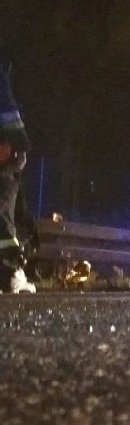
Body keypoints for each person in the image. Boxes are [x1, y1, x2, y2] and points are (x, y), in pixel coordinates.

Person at [0, 52, 35, 293]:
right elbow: (8, 110)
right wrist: (19, 144)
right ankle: (11, 273)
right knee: (5, 215)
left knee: (13, 214)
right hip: (5, 152)